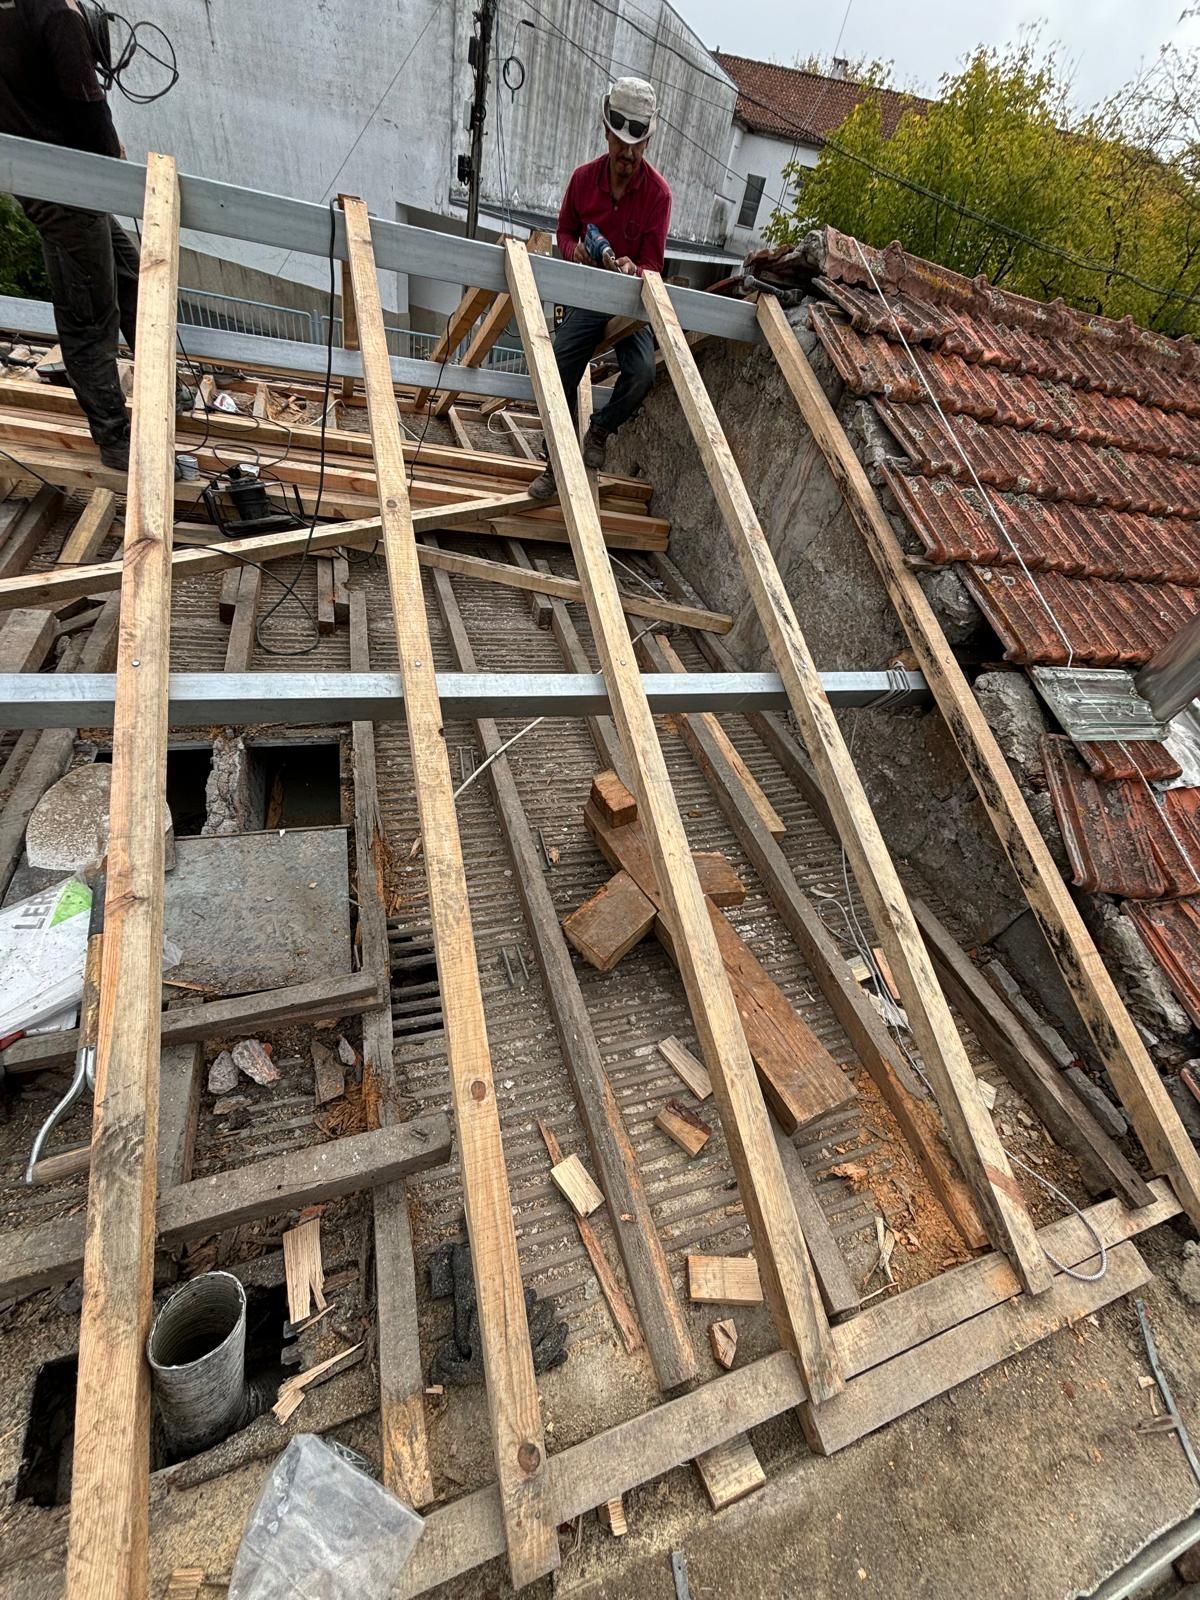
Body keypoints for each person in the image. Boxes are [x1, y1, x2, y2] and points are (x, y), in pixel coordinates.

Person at [0, 0, 144, 470]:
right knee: (89, 317)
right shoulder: (54, 14)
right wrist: (109, 159)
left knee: (131, 273)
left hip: (45, 173)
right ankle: (116, 438)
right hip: (66, 182)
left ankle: (163, 387)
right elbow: (85, 101)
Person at [529, 77, 671, 499]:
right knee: (559, 367)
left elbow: (654, 265)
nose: (627, 154)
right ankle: (557, 460)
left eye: (637, 146)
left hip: (630, 301)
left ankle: (601, 429)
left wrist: (635, 268)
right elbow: (565, 230)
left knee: (643, 372)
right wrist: (574, 251)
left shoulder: (658, 196)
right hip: (589, 294)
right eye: (621, 143)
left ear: (647, 142)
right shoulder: (582, 180)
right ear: (607, 131)